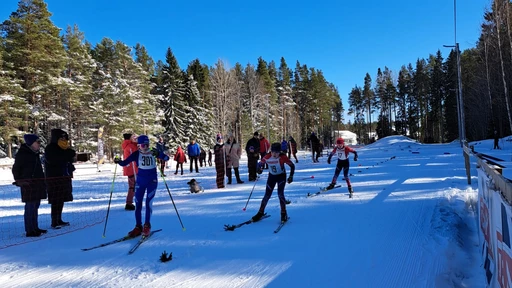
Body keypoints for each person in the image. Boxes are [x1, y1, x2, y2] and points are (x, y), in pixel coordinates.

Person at [114, 135, 169, 237]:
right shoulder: (136, 154)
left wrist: (159, 154)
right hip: (140, 182)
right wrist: (118, 161)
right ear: (139, 146)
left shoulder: (153, 151)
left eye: (147, 145)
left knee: (148, 203)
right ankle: (138, 227)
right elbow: (125, 162)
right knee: (138, 204)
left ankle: (147, 225)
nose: (145, 147)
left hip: (152, 181)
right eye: (143, 145)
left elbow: (166, 158)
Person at [12, 134, 47, 237]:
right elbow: (16, 169)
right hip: (28, 185)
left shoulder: (34, 154)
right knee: (30, 207)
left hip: (37, 184)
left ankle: (35, 227)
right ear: (31, 143)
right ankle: (30, 230)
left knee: (36, 206)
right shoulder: (23, 154)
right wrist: (20, 180)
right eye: (37, 142)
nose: (39, 144)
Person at [251, 143, 295, 223]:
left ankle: (283, 213)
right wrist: (259, 170)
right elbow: (259, 164)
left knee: (280, 194)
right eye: (273, 152)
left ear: (280, 152)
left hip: (281, 176)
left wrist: (291, 176)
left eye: (277, 152)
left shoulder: (283, 157)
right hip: (272, 177)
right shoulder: (267, 156)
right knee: (267, 195)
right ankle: (260, 212)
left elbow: (292, 166)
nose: (274, 154)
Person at [44, 129, 76, 229]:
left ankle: (59, 219)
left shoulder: (65, 148)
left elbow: (69, 158)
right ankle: (54, 221)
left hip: (64, 177)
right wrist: (67, 155)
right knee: (55, 200)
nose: (63, 139)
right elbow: (54, 160)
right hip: (54, 177)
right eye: (61, 137)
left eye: (64, 137)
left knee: (61, 199)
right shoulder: (50, 148)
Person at [122, 133, 138, 211]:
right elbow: (136, 154)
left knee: (134, 186)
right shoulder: (130, 146)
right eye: (132, 137)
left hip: (131, 168)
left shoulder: (128, 145)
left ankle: (130, 202)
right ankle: (129, 203)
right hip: (132, 169)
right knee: (133, 186)